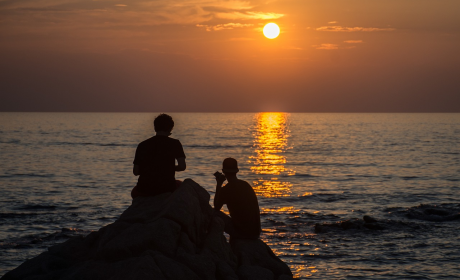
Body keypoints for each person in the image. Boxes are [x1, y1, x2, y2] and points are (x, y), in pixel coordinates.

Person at [131, 114, 186, 198]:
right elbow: (182, 167)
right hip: (167, 188)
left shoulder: (142, 145)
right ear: (170, 128)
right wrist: (167, 167)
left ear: (155, 127)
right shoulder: (175, 143)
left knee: (134, 191)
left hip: (144, 189)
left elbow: (136, 172)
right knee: (181, 185)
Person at [214, 158, 261, 240]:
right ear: (237, 171)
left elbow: (216, 207)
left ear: (223, 171)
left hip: (242, 233)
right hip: (255, 233)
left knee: (214, 213)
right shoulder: (246, 185)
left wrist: (219, 184)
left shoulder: (226, 190)